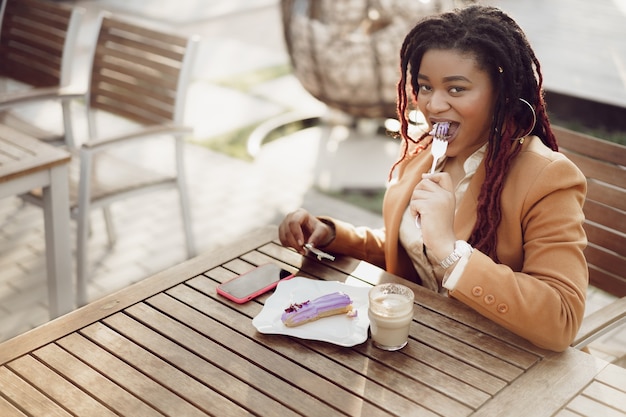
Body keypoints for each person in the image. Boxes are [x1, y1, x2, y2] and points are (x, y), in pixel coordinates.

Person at [278, 5, 588, 352]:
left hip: (503, 365)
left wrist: (450, 251)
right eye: (425, 87)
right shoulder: (425, 154)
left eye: (456, 89)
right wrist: (333, 235)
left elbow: (561, 319)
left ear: (500, 92)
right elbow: (412, 249)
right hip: (426, 346)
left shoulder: (548, 178)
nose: (434, 105)